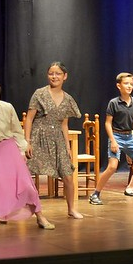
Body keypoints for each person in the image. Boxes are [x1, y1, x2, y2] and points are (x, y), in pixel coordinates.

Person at [0, 77, 54, 235]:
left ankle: (40, 217)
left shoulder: (6, 108)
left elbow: (16, 131)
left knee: (26, 184)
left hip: (9, 149)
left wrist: (22, 150)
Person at [23, 61, 84, 219]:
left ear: (65, 76)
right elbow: (29, 119)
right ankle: (21, 208)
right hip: (39, 137)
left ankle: (71, 208)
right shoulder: (40, 94)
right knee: (25, 173)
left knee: (68, 175)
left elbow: (64, 124)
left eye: (58, 74)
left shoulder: (68, 99)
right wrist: (27, 141)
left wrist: (67, 147)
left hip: (58, 140)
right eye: (51, 73)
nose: (54, 76)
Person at [88, 72, 133, 205]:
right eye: (126, 83)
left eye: (131, 84)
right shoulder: (114, 103)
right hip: (116, 136)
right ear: (119, 86)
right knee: (112, 167)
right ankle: (95, 194)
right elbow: (107, 123)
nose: (129, 86)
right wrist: (113, 141)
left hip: (129, 137)